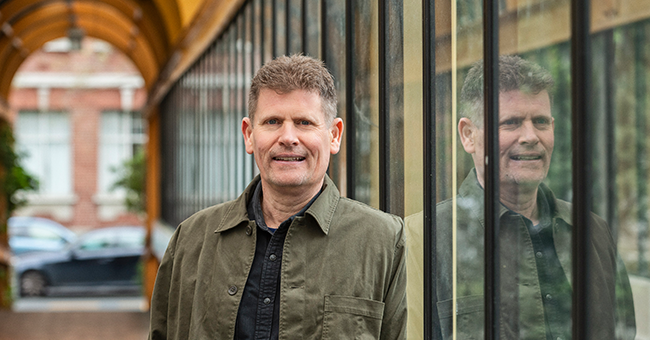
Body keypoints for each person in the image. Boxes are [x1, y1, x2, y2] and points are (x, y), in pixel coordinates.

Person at [148, 54, 407, 340]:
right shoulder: (191, 240)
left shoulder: (384, 242)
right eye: (272, 121)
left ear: (334, 136)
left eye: (304, 123)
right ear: (249, 134)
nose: (288, 137)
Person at [405, 55, 636, 339]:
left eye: (540, 122)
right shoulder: (422, 239)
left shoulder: (594, 232)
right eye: (511, 123)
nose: (530, 136)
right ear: (468, 135)